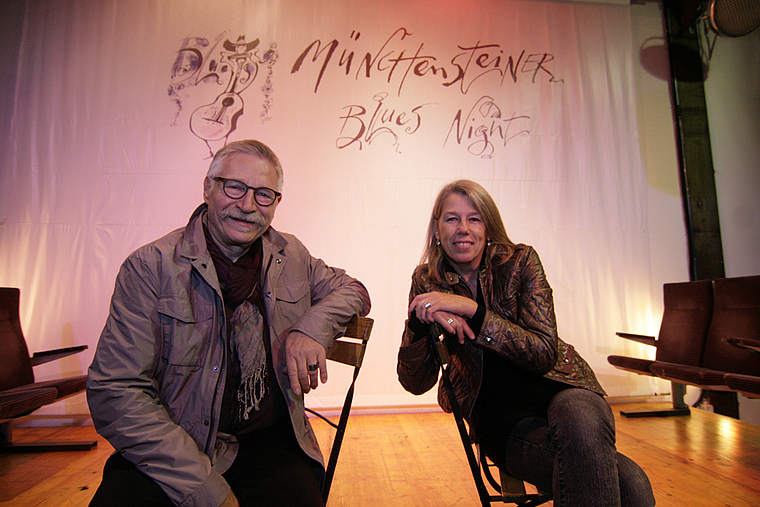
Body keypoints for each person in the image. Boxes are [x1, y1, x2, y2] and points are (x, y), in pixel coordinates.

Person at [87, 140, 371, 507]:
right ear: (207, 188)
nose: (248, 205)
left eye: (264, 194)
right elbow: (116, 390)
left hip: (268, 445)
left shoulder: (292, 255)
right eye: (234, 187)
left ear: (276, 203)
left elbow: (354, 291)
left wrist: (310, 328)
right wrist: (204, 489)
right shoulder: (150, 267)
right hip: (173, 445)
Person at [397, 180, 654, 506]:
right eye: (452, 219)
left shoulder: (521, 261)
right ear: (436, 228)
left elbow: (544, 352)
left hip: (563, 385)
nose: (463, 229)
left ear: (488, 226)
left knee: (580, 417)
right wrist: (419, 325)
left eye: (474, 218)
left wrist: (474, 312)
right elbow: (415, 383)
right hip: (501, 417)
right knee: (631, 486)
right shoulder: (426, 282)